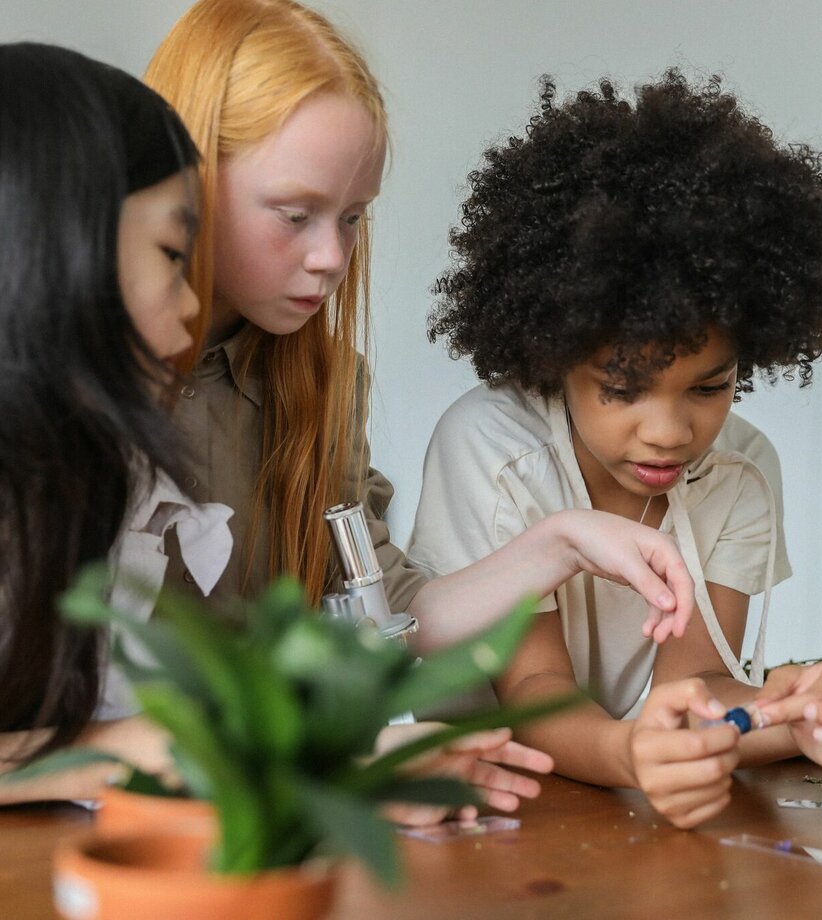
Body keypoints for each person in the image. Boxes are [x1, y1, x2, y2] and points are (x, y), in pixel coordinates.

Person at [0, 41, 552, 819]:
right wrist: (123, 752)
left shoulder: (305, 388)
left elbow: (371, 613)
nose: (331, 258)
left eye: (354, 219)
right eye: (169, 253)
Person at [144, 0, 695, 659]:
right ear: (191, 179)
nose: (331, 257)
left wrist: (564, 542)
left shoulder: (325, 381)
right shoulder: (67, 374)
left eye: (352, 218)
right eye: (296, 215)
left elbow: (385, 617)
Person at [409, 70, 822, 828]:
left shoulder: (740, 472)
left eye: (708, 389)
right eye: (623, 387)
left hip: (601, 808)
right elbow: (537, 687)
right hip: (469, 807)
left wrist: (792, 709)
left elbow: (701, 680)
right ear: (552, 354)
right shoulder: (492, 447)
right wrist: (629, 754)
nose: (671, 432)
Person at [0, 41, 208, 800]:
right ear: (58, 246)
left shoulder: (92, 478)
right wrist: (111, 750)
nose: (192, 304)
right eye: (172, 253)